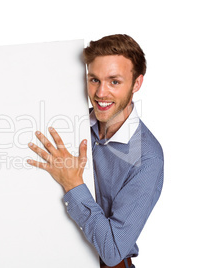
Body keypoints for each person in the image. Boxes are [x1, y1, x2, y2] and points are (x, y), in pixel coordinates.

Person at [27, 34, 163, 268]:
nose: (101, 93)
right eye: (94, 80)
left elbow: (112, 251)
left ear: (137, 83)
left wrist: (73, 184)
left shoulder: (147, 158)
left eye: (114, 82)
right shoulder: (69, 122)